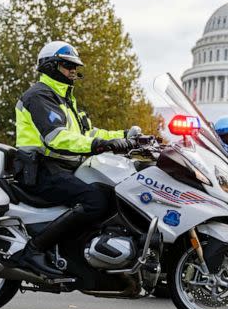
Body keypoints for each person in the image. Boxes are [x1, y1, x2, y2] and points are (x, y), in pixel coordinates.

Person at [13, 41, 137, 277]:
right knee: (95, 201)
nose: (73, 71)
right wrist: (98, 145)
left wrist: (123, 136)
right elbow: (56, 137)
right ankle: (34, 249)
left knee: (113, 192)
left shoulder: (66, 99)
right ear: (50, 66)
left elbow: (88, 134)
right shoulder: (39, 96)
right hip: (40, 168)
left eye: (74, 67)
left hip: (65, 167)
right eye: (67, 65)